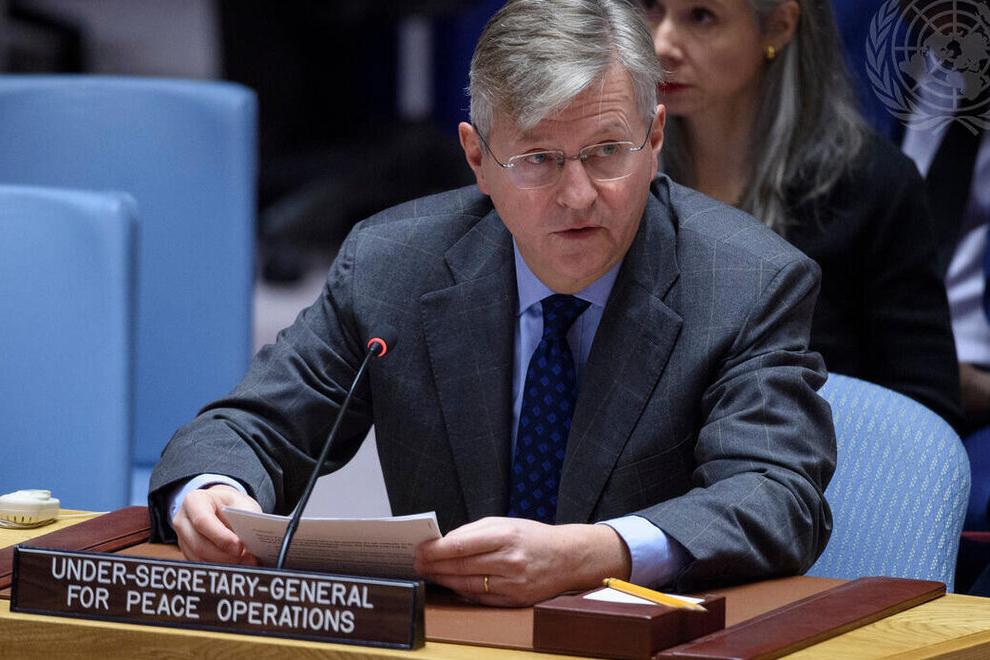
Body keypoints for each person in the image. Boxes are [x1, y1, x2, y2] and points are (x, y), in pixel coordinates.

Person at [149, 0, 836, 607]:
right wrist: (212, 493)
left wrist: (598, 552)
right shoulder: (395, 267)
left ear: (654, 139)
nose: (577, 195)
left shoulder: (747, 282)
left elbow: (777, 497)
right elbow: (250, 427)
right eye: (538, 159)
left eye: (606, 152)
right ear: (477, 159)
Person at [639, 0, 962, 429]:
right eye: (650, 8)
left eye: (702, 17)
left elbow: (926, 413)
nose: (662, 44)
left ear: (777, 27)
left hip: (824, 473)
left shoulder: (873, 184)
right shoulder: (618, 170)